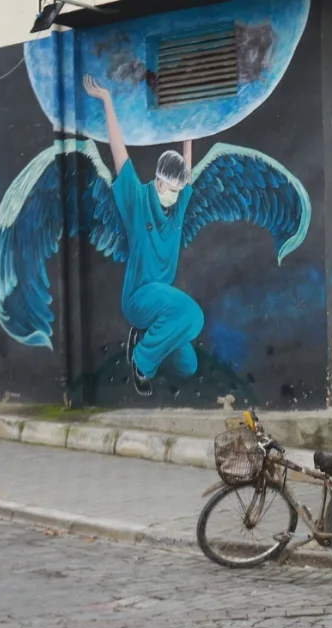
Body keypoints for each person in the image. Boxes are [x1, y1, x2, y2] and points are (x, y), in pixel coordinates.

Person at [84, 75, 201, 397]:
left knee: (188, 365)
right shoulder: (137, 199)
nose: (176, 195)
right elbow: (119, 155)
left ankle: (145, 339)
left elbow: (186, 170)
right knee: (192, 315)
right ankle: (140, 360)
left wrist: (187, 135)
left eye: (180, 190)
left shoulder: (177, 207)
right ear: (160, 182)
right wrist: (107, 100)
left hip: (161, 299)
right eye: (173, 189)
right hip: (138, 297)